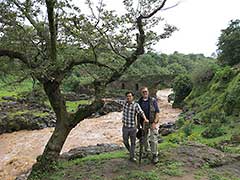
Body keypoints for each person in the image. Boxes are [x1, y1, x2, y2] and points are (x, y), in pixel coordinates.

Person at [103, 91, 148, 162]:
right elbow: (115, 101)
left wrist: (145, 119)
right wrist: (106, 100)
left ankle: (132, 157)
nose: (128, 97)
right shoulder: (124, 103)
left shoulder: (136, 105)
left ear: (132, 97)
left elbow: (141, 112)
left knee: (133, 143)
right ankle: (131, 152)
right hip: (125, 127)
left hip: (133, 127)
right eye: (127, 96)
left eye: (130, 96)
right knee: (125, 141)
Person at [138, 87, 160, 164]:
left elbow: (157, 112)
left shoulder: (153, 101)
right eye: (143, 92)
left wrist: (155, 122)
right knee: (144, 138)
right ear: (141, 93)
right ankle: (147, 152)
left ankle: (155, 154)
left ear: (148, 92)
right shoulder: (139, 102)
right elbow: (137, 113)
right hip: (143, 123)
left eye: (146, 91)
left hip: (152, 122)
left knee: (153, 138)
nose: (145, 93)